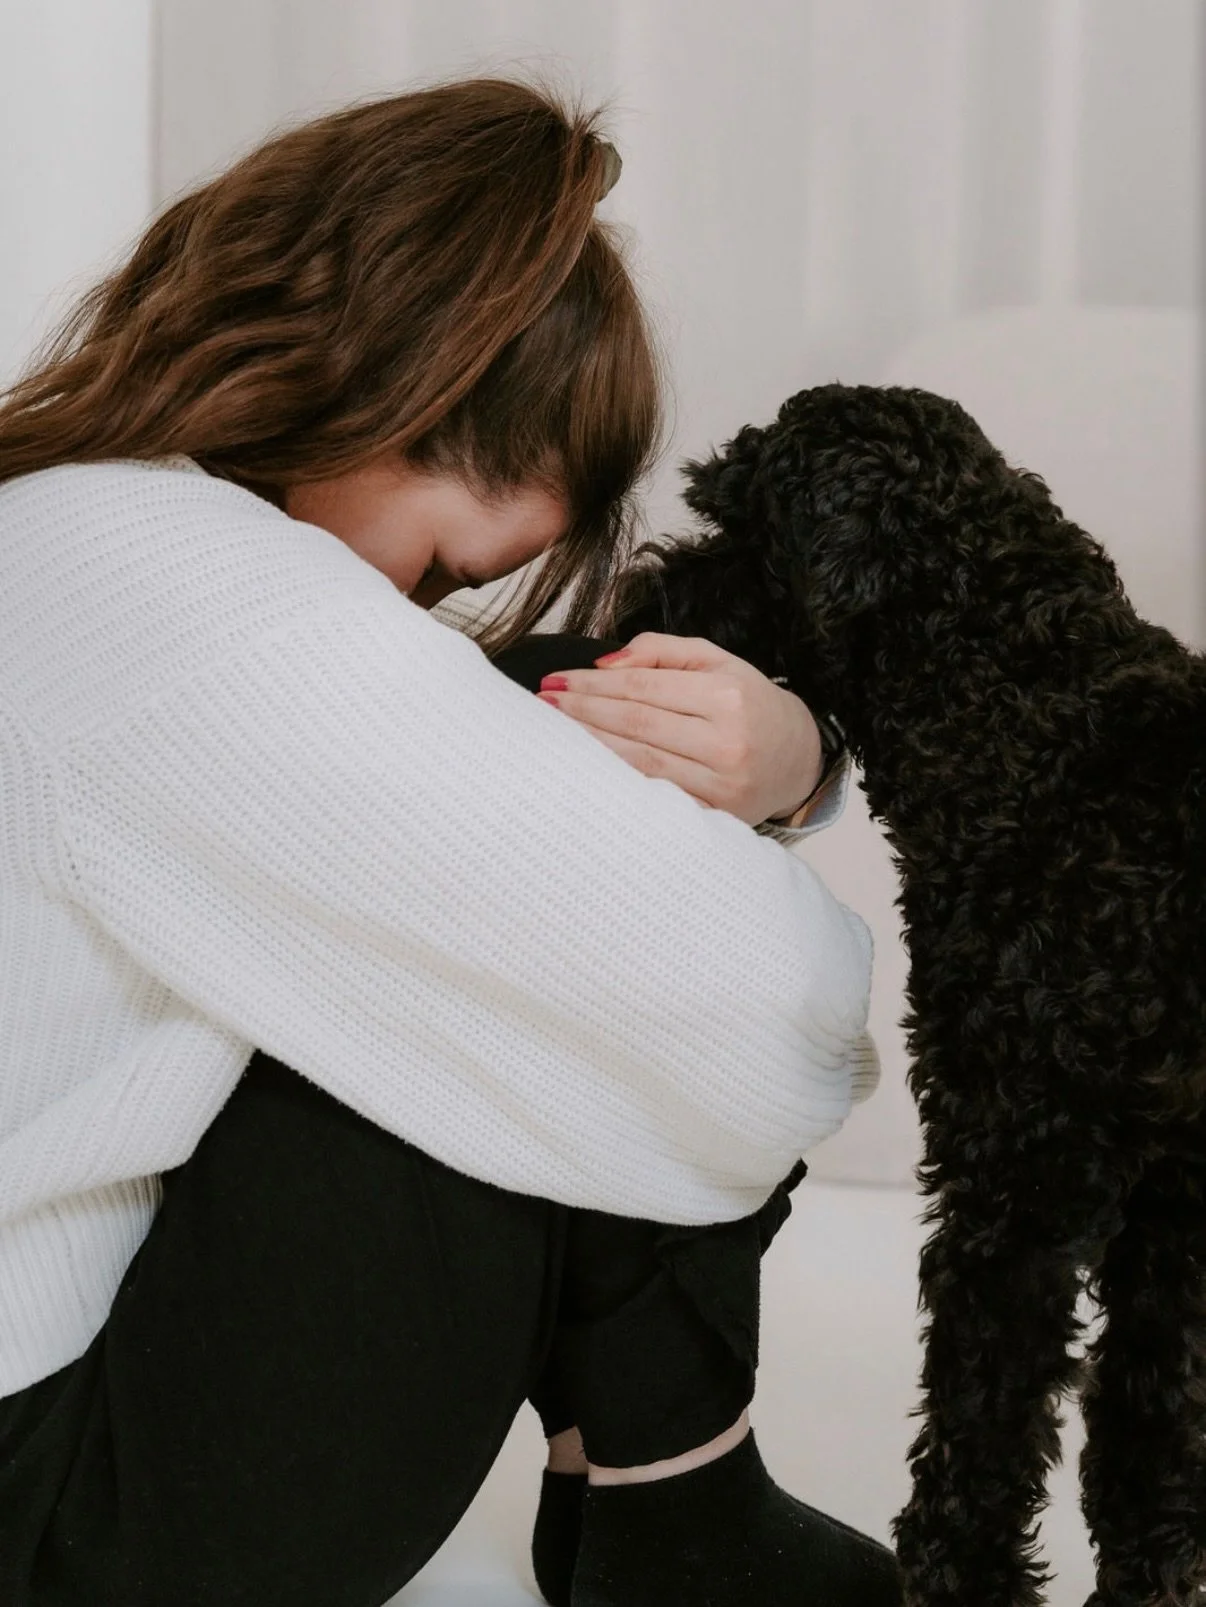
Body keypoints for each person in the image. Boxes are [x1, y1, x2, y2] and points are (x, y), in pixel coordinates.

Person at [0, 77, 897, 1606]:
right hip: (70, 1523)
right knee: (530, 960)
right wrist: (769, 788)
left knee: (505, 779)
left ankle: (668, 1495)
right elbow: (773, 1004)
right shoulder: (219, 615)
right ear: (393, 390)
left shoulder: (67, 524)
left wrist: (785, 760)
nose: (410, 616)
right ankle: (671, 1486)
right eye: (432, 567)